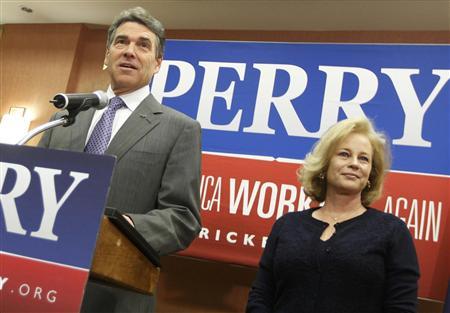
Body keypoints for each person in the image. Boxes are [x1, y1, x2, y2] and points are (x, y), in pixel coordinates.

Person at [38, 7, 201, 313]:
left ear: (158, 63)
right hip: (42, 280)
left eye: (143, 45)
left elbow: (182, 217)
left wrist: (122, 228)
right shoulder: (64, 117)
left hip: (116, 294)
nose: (130, 51)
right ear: (108, 53)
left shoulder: (180, 129)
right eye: (121, 42)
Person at [246, 117, 420, 313]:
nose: (354, 164)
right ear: (325, 165)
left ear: (371, 174)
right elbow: (261, 295)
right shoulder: (287, 225)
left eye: (363, 158)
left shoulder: (392, 231)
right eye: (345, 154)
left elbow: (401, 308)